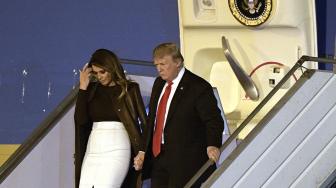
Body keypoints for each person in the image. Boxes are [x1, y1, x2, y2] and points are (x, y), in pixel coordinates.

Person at [144, 43, 224, 187]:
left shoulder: (198, 87)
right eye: (156, 65)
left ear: (178, 62)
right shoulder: (159, 83)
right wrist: (144, 149)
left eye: (163, 64)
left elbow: (213, 120)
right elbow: (153, 120)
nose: (159, 69)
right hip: (159, 157)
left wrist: (213, 144)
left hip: (185, 160)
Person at [74, 49, 147, 188]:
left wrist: (142, 151)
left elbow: (145, 122)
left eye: (103, 72)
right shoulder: (91, 90)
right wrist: (83, 88)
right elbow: (80, 120)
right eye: (95, 73)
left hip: (118, 148)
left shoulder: (129, 89)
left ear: (112, 68)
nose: (99, 76)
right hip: (93, 149)